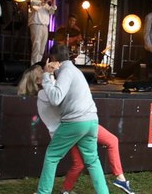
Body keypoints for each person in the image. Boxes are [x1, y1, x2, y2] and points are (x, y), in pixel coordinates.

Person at [17, 64, 135, 194]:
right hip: (70, 127)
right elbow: (61, 99)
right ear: (39, 80)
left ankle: (60, 190)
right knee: (87, 161)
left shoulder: (46, 93)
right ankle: (63, 190)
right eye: (43, 72)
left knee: (87, 157)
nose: (48, 72)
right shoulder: (44, 94)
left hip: (75, 124)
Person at [36, 44, 108, 194]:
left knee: (52, 156)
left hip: (76, 121)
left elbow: (55, 98)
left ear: (53, 59)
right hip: (91, 120)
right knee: (93, 161)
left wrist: (45, 76)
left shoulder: (66, 72)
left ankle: (43, 192)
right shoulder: (74, 71)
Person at [28, 0, 57, 65]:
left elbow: (51, 12)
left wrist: (53, 2)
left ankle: (38, 65)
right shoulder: (33, 0)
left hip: (44, 27)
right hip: (36, 25)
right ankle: (33, 66)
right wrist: (47, 0)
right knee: (36, 46)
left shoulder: (45, 3)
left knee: (42, 49)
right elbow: (38, 7)